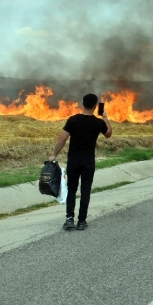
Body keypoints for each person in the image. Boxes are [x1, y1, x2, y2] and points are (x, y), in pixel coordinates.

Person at [49, 94, 112, 230]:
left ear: (82, 104)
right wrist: (105, 118)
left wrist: (54, 155)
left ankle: (69, 219)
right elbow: (108, 134)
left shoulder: (73, 120)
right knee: (85, 190)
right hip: (88, 161)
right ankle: (82, 221)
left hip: (74, 161)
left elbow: (62, 139)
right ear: (96, 106)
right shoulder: (98, 122)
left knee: (72, 189)